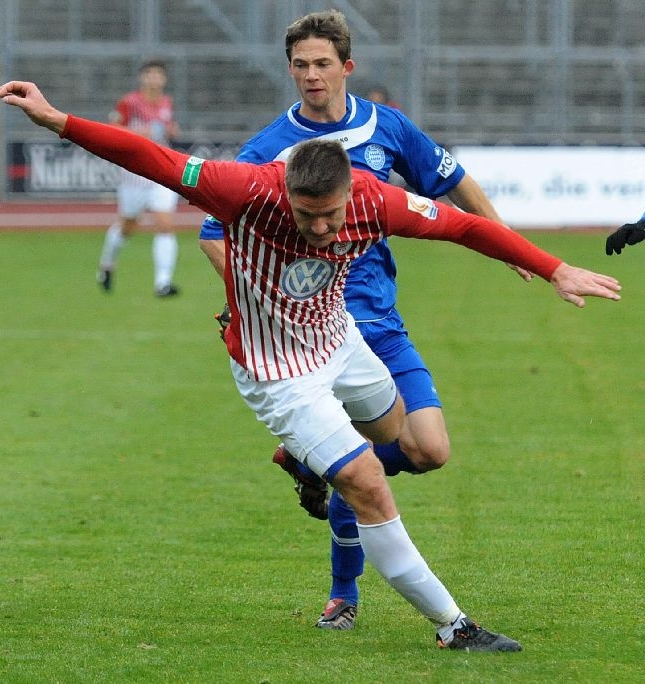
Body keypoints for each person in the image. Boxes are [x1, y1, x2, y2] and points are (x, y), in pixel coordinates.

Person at [0, 77, 621, 650]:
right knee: (366, 481)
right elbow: (148, 158)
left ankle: (306, 460)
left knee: (397, 438)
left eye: (332, 214)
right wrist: (56, 119)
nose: (321, 228)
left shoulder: (378, 200)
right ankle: (453, 626)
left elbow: (462, 226)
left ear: (352, 192)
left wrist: (554, 268)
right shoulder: (241, 188)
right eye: (306, 214)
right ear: (285, 192)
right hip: (277, 372)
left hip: (342, 341)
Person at [198, 9, 531, 631]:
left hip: (381, 317)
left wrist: (506, 243)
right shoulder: (270, 148)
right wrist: (248, 295)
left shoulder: (388, 127)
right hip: (316, 335)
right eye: (300, 65)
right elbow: (215, 233)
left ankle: (306, 464)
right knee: (361, 467)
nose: (311, 76)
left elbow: (453, 183)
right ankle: (344, 596)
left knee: (428, 450)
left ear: (347, 67)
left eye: (323, 64)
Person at [97, 59, 182, 297]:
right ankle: (106, 264)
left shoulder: (167, 103)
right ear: (142, 78)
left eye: (158, 75)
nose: (154, 79)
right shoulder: (129, 103)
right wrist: (138, 132)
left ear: (164, 79)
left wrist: (172, 130)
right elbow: (112, 129)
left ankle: (163, 282)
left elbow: (167, 130)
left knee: (165, 224)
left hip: (161, 172)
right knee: (127, 226)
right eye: (150, 74)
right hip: (134, 175)